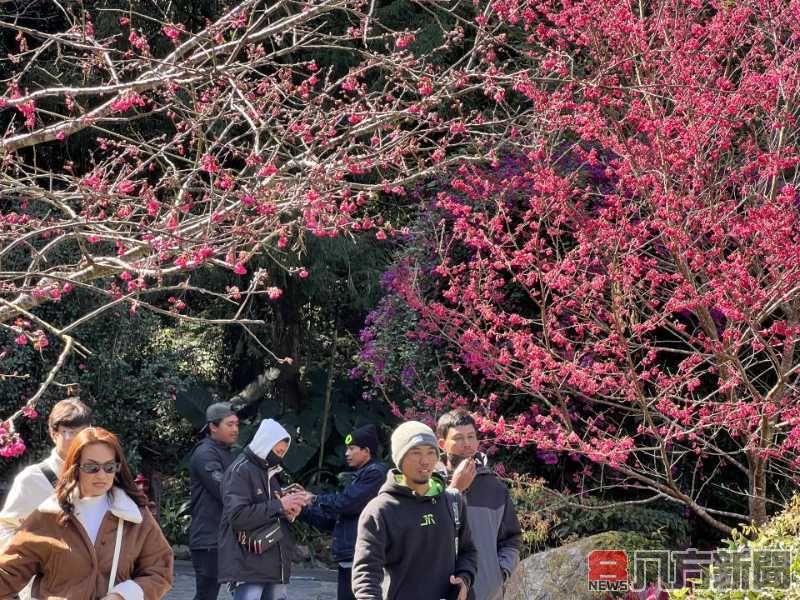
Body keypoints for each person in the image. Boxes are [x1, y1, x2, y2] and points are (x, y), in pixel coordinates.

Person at [0, 426, 174, 599]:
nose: (101, 475)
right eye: (92, 467)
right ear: (75, 468)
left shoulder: (135, 516)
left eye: (109, 467)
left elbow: (160, 570)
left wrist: (124, 595)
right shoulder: (49, 515)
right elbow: (9, 572)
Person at [352, 421, 478, 600]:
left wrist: (464, 580)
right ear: (400, 459)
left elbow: (469, 551)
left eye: (431, 452)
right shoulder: (380, 510)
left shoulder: (453, 501)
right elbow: (366, 574)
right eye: (415, 453)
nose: (425, 461)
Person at [218, 418, 308, 600]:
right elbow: (237, 516)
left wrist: (289, 512)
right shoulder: (240, 471)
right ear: (265, 444)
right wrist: (280, 505)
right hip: (248, 564)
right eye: (277, 451)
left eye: (283, 452)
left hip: (274, 564)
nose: (280, 456)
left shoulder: (271, 473)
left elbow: (271, 510)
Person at [436, 409, 522, 600]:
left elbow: (511, 539)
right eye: (458, 438)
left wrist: (499, 574)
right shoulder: (430, 486)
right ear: (442, 444)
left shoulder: (495, 487)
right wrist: (454, 489)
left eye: (471, 436)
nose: (466, 444)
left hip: (487, 592)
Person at [300, 424, 388, 600]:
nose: (346, 453)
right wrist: (301, 509)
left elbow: (346, 503)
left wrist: (314, 499)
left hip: (364, 558)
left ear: (366, 451)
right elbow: (334, 520)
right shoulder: (360, 477)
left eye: (351, 448)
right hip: (350, 557)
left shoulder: (376, 474)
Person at [0, 398, 93, 547]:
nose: (80, 439)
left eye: (85, 432)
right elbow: (5, 531)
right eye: (70, 432)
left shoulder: (101, 474)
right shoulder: (31, 479)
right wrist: (40, 554)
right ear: (54, 434)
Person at [189, 402, 239, 600]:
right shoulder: (205, 453)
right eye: (230, 424)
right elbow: (224, 491)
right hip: (209, 540)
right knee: (206, 596)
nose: (235, 429)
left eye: (237, 424)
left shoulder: (228, 452)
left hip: (225, 538)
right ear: (213, 427)